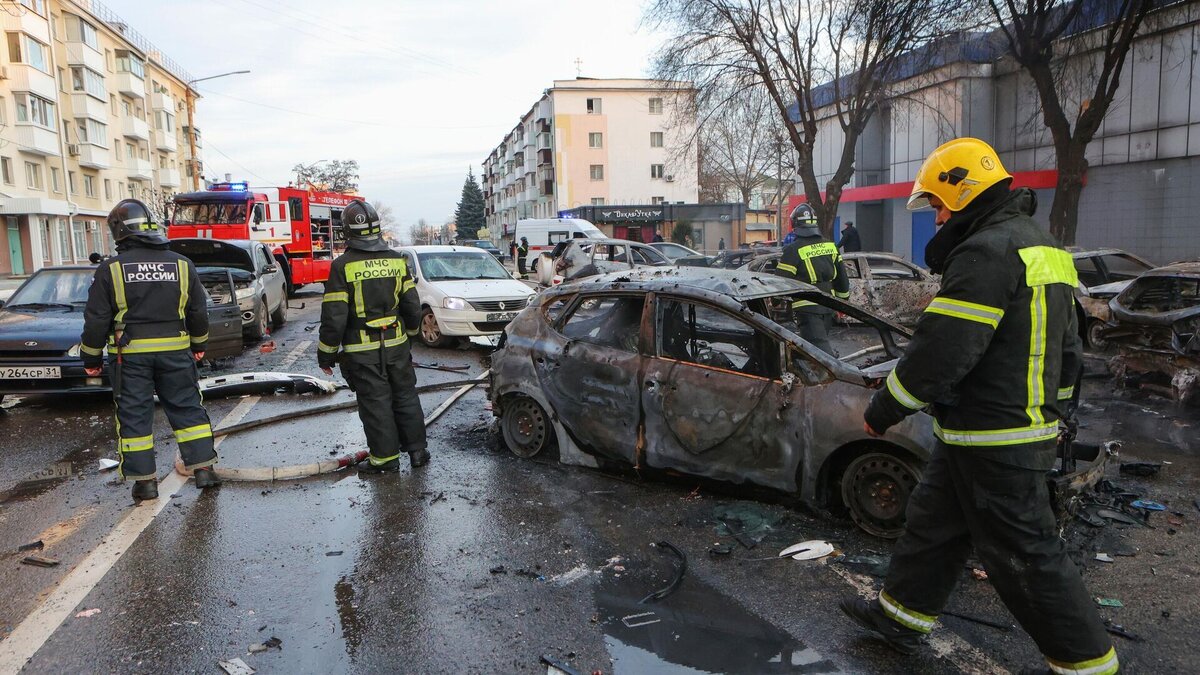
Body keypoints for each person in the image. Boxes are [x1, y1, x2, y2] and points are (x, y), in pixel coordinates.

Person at [840, 138, 1116, 675]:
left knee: (1025, 556)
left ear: (963, 191)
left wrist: (884, 409)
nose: (939, 215)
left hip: (996, 435)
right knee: (933, 525)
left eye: (941, 203)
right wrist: (1053, 415)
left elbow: (943, 349)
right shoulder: (1045, 247)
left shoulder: (987, 251)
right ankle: (900, 620)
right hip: (985, 430)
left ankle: (1089, 664)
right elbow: (1068, 350)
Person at [80, 199, 219, 500]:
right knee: (187, 409)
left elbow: (96, 320)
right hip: (177, 352)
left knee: (135, 416)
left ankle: (145, 482)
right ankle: (204, 470)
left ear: (119, 231)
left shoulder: (111, 269)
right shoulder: (182, 264)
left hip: (130, 357)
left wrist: (90, 358)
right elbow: (198, 312)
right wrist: (199, 345)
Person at [318, 200, 429, 473]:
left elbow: (335, 315)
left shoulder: (342, 266)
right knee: (405, 396)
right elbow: (412, 306)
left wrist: (327, 353)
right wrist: (410, 336)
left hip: (362, 350)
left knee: (376, 402)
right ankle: (417, 452)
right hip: (397, 345)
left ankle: (385, 459)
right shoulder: (397, 261)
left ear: (347, 231)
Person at [773, 203, 850, 355]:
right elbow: (842, 279)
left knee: (818, 351)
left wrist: (775, 300)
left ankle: (830, 376)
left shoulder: (793, 250)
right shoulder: (830, 246)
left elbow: (780, 282)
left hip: (807, 309)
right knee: (818, 347)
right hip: (829, 305)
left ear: (795, 224)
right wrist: (843, 304)